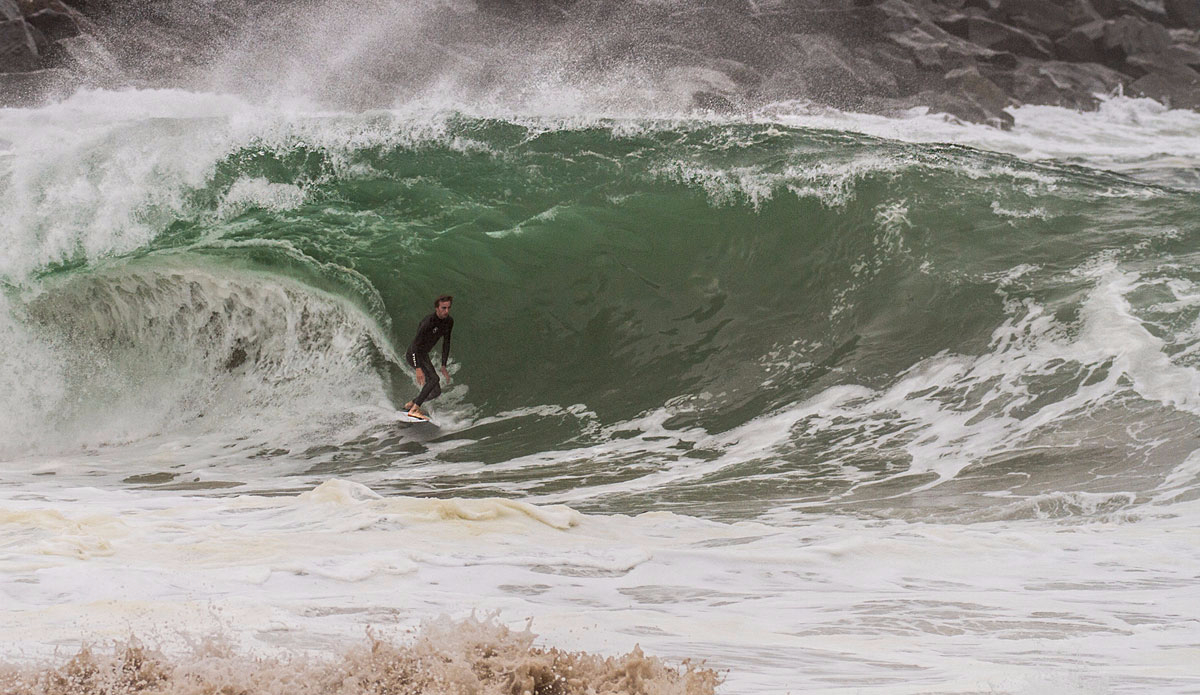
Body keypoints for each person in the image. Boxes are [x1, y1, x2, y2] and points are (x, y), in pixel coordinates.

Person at [403, 294, 454, 419]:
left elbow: (446, 343)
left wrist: (443, 365)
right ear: (437, 308)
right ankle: (415, 409)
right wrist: (417, 367)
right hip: (414, 354)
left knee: (436, 391)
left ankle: (411, 404)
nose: (446, 311)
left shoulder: (449, 322)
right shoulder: (428, 322)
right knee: (434, 379)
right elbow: (415, 345)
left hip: (423, 355)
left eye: (448, 308)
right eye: (443, 308)